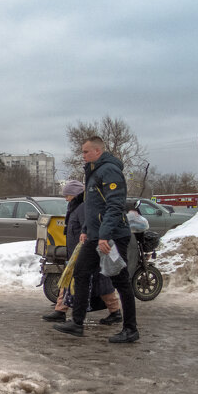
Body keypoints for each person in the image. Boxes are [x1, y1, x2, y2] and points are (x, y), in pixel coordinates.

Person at [54, 136, 140, 343]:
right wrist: (86, 229)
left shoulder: (109, 171)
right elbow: (93, 208)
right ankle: (77, 323)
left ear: (97, 151)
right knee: (81, 273)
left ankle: (130, 329)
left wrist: (105, 235)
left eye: (86, 152)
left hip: (112, 236)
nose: (83, 155)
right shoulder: (93, 173)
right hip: (94, 235)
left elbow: (114, 205)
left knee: (120, 280)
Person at [42, 180, 121, 325]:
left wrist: (86, 249)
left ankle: (115, 311)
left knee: (101, 282)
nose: (66, 199)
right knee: (67, 279)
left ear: (75, 194)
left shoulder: (83, 208)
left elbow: (90, 229)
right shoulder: (75, 207)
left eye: (68, 195)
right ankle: (60, 310)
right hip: (76, 252)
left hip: (85, 252)